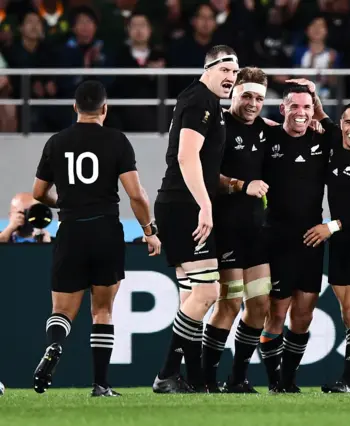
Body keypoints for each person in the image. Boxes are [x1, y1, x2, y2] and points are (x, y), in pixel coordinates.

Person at [31, 80, 161, 397]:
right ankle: (101, 385)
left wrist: (65, 203)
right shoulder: (117, 141)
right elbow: (137, 195)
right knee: (102, 310)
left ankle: (55, 345)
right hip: (106, 230)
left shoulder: (56, 142)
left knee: (61, 311)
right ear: (105, 108)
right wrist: (149, 230)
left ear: (75, 107)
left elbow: (37, 194)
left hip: (71, 229)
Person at [288, 82, 350, 393]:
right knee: (348, 315)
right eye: (348, 122)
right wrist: (311, 92)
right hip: (342, 245)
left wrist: (328, 227)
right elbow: (318, 113)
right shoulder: (335, 137)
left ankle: (347, 382)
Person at [152, 45, 239, 394]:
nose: (231, 78)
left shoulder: (203, 101)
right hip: (184, 205)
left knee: (191, 296)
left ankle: (190, 378)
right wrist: (205, 205)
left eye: (235, 73)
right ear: (209, 68)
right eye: (225, 71)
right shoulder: (199, 100)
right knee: (207, 292)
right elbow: (188, 158)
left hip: (177, 202)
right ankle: (167, 373)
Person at [198, 67, 272, 393]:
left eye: (259, 98)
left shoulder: (267, 130)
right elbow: (204, 174)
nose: (253, 103)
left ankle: (238, 377)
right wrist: (242, 186)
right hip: (225, 227)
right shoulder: (218, 127)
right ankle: (206, 378)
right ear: (234, 92)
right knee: (230, 302)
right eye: (247, 96)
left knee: (260, 304)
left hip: (256, 231)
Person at [259, 84, 332, 393]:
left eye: (307, 107)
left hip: (312, 239)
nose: (301, 113)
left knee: (303, 315)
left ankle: (289, 379)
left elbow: (349, 134)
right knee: (276, 312)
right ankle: (274, 380)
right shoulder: (269, 139)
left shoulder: (322, 138)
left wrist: (320, 111)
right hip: (277, 237)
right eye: (295, 106)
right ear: (283, 109)